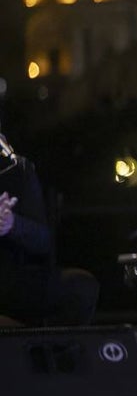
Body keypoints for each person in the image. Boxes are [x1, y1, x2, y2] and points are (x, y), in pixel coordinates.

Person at [0, 130, 100, 327]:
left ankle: (50, 355)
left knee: (81, 287)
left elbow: (43, 241)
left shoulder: (17, 170)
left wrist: (12, 224)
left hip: (11, 280)